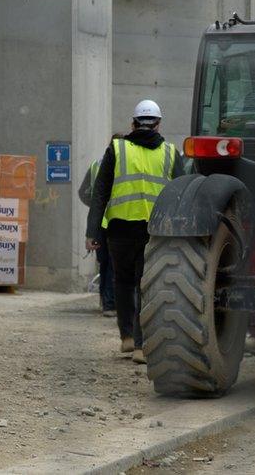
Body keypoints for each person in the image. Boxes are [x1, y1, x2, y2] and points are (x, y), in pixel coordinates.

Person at [86, 100, 184, 364]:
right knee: (147, 285)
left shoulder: (117, 149)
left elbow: (100, 193)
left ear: (133, 123)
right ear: (159, 123)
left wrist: (92, 231)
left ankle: (127, 338)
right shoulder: (171, 153)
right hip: (155, 231)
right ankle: (142, 347)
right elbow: (181, 196)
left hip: (119, 229)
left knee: (123, 282)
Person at [78, 134, 124, 318]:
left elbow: (83, 193)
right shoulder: (123, 166)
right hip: (116, 221)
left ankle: (105, 302)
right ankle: (110, 304)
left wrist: (96, 205)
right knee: (113, 264)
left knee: (104, 263)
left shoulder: (96, 164)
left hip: (100, 223)